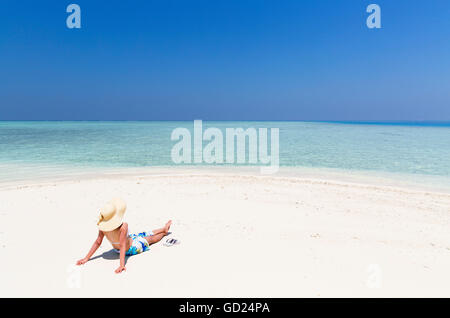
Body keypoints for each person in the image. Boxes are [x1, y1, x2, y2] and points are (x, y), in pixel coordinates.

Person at [76, 198, 172, 273]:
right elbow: (122, 245)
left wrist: (86, 258)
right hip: (131, 247)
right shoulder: (123, 226)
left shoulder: (103, 227)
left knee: (143, 234)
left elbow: (98, 242)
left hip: (120, 247)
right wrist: (122, 265)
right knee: (150, 239)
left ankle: (163, 228)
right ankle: (164, 233)